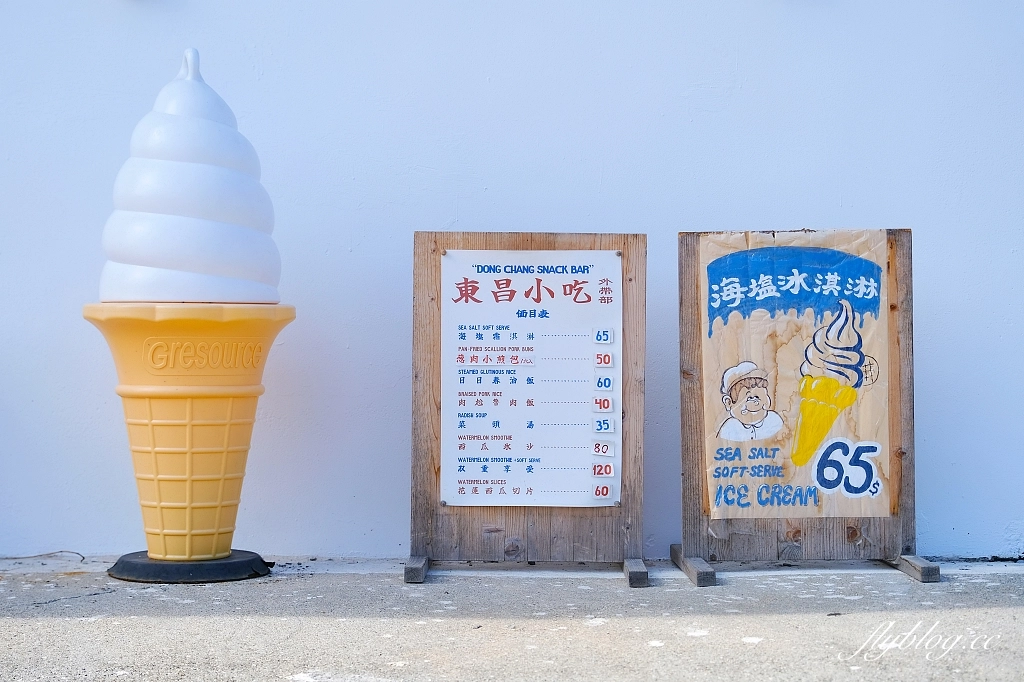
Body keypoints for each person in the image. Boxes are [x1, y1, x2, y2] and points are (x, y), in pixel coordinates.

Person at [717, 361, 783, 441]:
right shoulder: (729, 429)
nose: (755, 402)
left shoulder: (774, 421)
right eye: (748, 398)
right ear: (728, 402)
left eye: (758, 396)